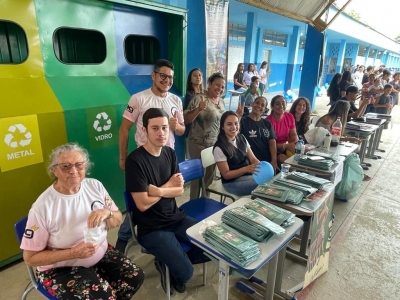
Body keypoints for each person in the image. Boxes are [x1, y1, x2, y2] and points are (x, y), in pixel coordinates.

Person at [20, 143, 144, 299]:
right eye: (65, 166)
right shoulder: (43, 207)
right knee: (103, 297)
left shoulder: (95, 186)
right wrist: (73, 253)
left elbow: (117, 219)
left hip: (100, 253)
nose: (73, 171)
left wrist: (108, 214)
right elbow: (30, 258)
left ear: (86, 166)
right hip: (61, 268)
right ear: (54, 170)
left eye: (79, 165)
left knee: (134, 277)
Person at [125, 108, 209, 295]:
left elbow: (179, 190)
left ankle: (167, 259)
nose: (161, 133)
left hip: (176, 217)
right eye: (155, 128)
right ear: (144, 130)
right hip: (151, 228)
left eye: (164, 128)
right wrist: (168, 188)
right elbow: (142, 204)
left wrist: (160, 189)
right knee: (186, 274)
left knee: (210, 247)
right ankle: (170, 263)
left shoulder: (169, 153)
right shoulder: (135, 161)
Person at [116, 59, 185, 253]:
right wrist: (123, 158)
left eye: (170, 77)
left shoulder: (176, 100)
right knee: (141, 202)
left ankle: (164, 239)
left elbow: (181, 130)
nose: (167, 80)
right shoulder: (138, 99)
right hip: (144, 160)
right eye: (162, 75)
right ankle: (124, 236)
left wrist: (176, 126)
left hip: (167, 157)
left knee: (164, 197)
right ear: (153, 75)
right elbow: (124, 129)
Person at [184, 72, 227, 200]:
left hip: (214, 145)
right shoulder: (199, 99)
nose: (220, 88)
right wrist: (198, 109)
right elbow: (186, 119)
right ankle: (193, 204)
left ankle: (205, 202)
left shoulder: (222, 102)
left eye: (222, 86)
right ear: (209, 84)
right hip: (198, 144)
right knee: (197, 178)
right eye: (217, 85)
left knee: (209, 177)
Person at [213, 111, 260, 196]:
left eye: (236, 123)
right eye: (229, 124)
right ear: (222, 127)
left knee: (267, 180)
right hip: (230, 183)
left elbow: (253, 159)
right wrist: (246, 169)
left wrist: (262, 167)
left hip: (246, 176)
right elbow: (226, 175)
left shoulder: (241, 138)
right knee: (261, 186)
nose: (234, 127)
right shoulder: (219, 148)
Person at [240, 96, 278, 171]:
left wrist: (274, 160)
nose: (259, 106)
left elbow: (272, 142)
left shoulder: (267, 123)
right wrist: (238, 116)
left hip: (267, 162)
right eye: (257, 103)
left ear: (265, 109)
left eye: (262, 105)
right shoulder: (243, 121)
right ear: (252, 104)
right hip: (250, 163)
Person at [267, 95, 298, 163]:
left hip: (286, 148)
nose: (281, 106)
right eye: (277, 104)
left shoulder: (289, 116)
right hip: (273, 151)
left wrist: (294, 143)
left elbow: (293, 134)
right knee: (287, 161)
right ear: (272, 107)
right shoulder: (268, 121)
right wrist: (285, 146)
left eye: (283, 103)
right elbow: (269, 144)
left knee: (301, 157)